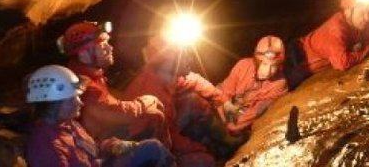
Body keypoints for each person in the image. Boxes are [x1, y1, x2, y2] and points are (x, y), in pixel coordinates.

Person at [24, 64, 173, 167]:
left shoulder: (68, 124)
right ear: (55, 103)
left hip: (103, 162)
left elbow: (92, 148)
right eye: (73, 98)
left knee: (152, 147)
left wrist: (113, 145)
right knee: (152, 151)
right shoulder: (44, 144)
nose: (80, 103)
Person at [124, 37, 230, 167]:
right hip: (144, 151)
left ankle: (224, 144)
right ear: (168, 61)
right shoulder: (153, 95)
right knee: (205, 161)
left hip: (163, 133)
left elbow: (194, 80)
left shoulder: (167, 76)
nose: (190, 59)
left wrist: (224, 101)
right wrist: (198, 148)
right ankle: (216, 151)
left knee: (193, 100)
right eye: (183, 55)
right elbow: (168, 140)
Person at [61, 21, 170, 147]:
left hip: (101, 138)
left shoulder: (92, 77)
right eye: (102, 45)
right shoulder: (85, 86)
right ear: (84, 55)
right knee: (153, 118)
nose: (110, 48)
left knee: (153, 116)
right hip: (98, 149)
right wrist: (144, 102)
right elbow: (116, 113)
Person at [285, 0, 369, 87]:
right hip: (297, 55)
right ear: (348, 12)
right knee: (285, 87)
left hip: (314, 58)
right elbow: (342, 63)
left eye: (368, 12)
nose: (367, 18)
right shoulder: (337, 29)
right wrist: (368, 48)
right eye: (362, 13)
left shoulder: (358, 24)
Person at [217, 35, 289, 135]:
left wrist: (230, 126)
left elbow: (255, 113)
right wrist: (222, 114)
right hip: (225, 106)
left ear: (279, 66)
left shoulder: (279, 84)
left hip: (242, 114)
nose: (267, 72)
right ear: (257, 60)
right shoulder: (243, 65)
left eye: (273, 67)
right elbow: (225, 92)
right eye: (264, 64)